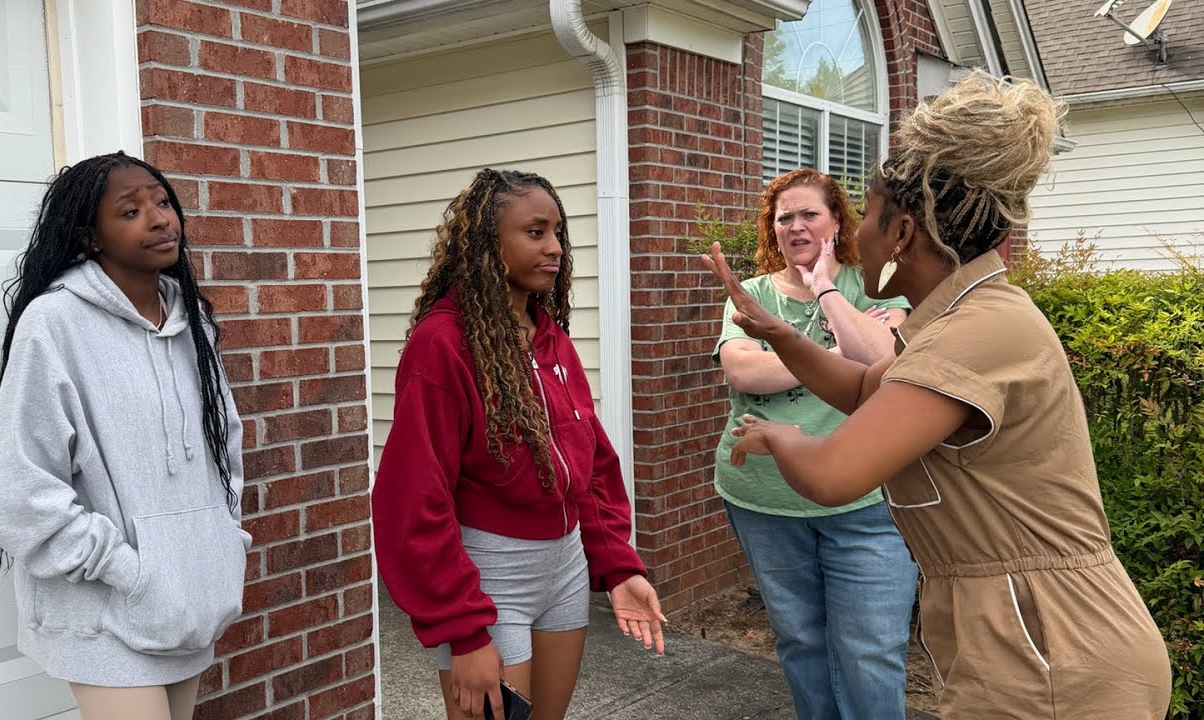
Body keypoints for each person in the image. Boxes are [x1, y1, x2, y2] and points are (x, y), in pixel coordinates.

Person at [704, 71, 1172, 718]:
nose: (853, 234)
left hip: (1052, 653)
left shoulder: (979, 332)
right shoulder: (955, 320)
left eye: (865, 216)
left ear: (902, 233)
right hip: (1024, 639)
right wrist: (778, 332)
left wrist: (776, 435)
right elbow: (865, 389)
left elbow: (837, 473)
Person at [372, 168, 665, 720]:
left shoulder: (549, 336)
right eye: (535, 232)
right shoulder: (443, 344)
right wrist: (463, 632)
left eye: (558, 233)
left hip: (566, 566)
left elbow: (592, 463)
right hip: (490, 573)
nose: (555, 248)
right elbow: (412, 498)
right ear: (487, 242)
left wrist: (619, 567)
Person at [0, 152, 248, 720]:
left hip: (185, 601)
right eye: (131, 210)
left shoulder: (190, 322)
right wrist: (131, 570)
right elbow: (15, 490)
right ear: (89, 234)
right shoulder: (54, 324)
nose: (159, 219)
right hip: (102, 611)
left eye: (162, 201)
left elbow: (225, 444)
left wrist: (221, 542)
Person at [712, 168, 917, 720]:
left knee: (872, 651)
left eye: (810, 215)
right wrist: (837, 357)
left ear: (835, 222)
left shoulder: (871, 284)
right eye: (785, 218)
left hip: (867, 501)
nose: (796, 226)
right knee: (801, 642)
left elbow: (888, 362)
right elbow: (743, 374)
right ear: (771, 229)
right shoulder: (752, 293)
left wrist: (823, 294)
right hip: (766, 499)